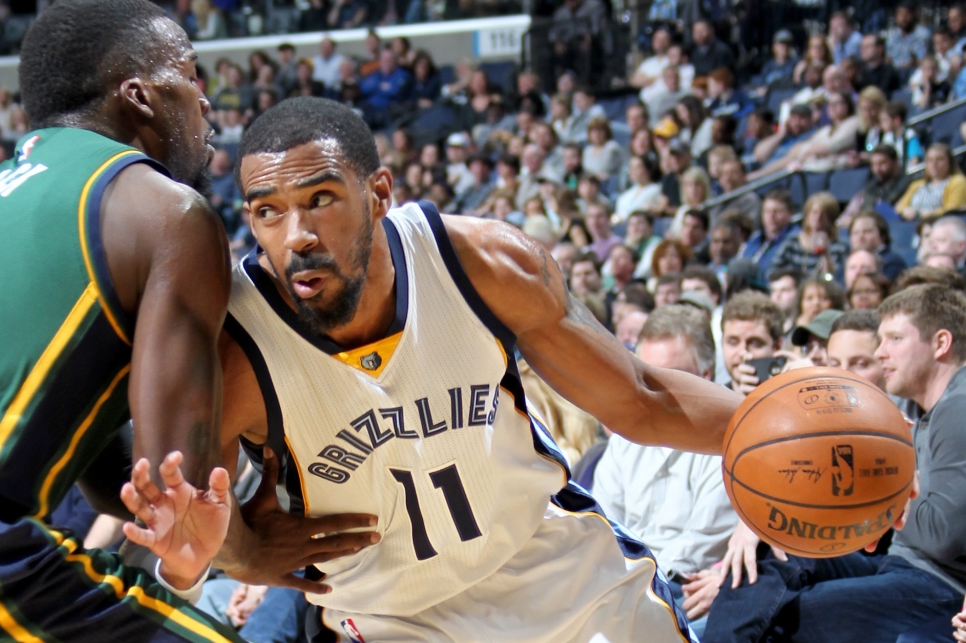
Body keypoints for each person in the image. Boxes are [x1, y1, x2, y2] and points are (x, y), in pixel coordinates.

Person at [215, 96, 746, 640]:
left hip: (565, 583)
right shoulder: (234, 346)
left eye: (320, 198)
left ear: (378, 194)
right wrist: (243, 554)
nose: (296, 234)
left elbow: (641, 397)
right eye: (267, 211)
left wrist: (783, 425)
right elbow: (194, 522)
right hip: (392, 619)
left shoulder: (485, 263)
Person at [0, 0, 258, 643]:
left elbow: (103, 471)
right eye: (190, 75)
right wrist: (257, 547)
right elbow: (171, 484)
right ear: (139, 96)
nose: (205, 102)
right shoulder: (167, 210)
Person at [703, 283, 966, 643]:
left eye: (894, 339)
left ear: (940, 343)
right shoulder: (929, 411)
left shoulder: (959, 406)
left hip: (940, 583)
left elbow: (945, 537)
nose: (881, 351)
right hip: (899, 564)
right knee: (777, 545)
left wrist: (881, 495)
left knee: (790, 618)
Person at [592, 305, 738, 637]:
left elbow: (697, 548)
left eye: (671, 375)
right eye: (646, 376)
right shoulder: (623, 439)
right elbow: (602, 527)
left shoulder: (733, 442)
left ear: (706, 375)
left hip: (686, 592)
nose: (654, 390)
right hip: (620, 587)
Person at [769, 192, 849, 278]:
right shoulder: (792, 242)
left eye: (823, 214)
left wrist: (826, 254)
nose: (818, 218)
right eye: (814, 212)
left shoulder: (840, 247)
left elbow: (831, 278)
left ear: (831, 218)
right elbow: (771, 271)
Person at [720, 291, 785, 395]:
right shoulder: (712, 404)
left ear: (777, 346)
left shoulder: (792, 399)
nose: (743, 353)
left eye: (754, 343)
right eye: (733, 342)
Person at [740, 188, 799, 280]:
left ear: (790, 213)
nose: (771, 216)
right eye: (767, 211)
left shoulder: (795, 240)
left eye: (777, 211)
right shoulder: (756, 237)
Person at [896, 143, 966, 220]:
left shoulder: (958, 181)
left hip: (942, 225)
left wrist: (923, 214)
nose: (934, 164)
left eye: (940, 159)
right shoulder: (916, 184)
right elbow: (898, 208)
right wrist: (905, 210)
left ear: (950, 162)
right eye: (930, 160)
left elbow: (952, 211)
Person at [848, 210, 909, 282]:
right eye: (855, 233)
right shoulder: (845, 263)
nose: (860, 237)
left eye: (867, 231)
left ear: (882, 236)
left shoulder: (893, 263)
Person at [707, 159, 759, 230]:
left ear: (743, 176)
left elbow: (751, 227)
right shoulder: (716, 203)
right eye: (725, 174)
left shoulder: (751, 200)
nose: (728, 178)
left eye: (733, 173)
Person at [769, 267, 803, 334]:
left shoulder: (805, 328)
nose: (777, 295)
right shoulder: (766, 327)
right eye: (774, 290)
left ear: (798, 293)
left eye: (784, 290)